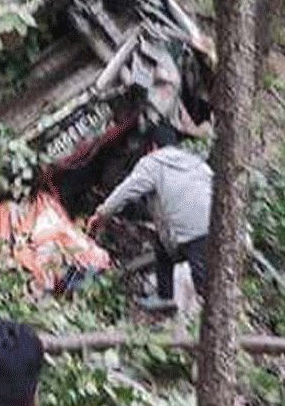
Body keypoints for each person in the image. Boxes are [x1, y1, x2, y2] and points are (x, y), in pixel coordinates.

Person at [86, 125, 214, 313]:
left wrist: (101, 214)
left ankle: (214, 332)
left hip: (194, 235)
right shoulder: (194, 161)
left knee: (208, 293)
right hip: (216, 226)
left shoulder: (153, 162)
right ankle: (165, 298)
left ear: (152, 145)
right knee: (162, 249)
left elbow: (126, 191)